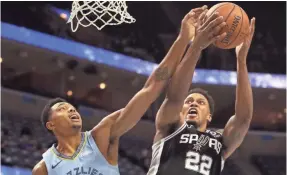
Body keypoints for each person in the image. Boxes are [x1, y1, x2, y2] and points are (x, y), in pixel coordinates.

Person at [32, 5, 226, 175]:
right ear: (50, 125)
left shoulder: (103, 136)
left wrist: (183, 39)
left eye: (70, 107)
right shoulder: (44, 168)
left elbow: (151, 88)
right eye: (62, 109)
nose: (71, 110)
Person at [147, 12, 256, 175]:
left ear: (209, 116)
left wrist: (241, 60)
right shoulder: (168, 128)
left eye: (200, 102)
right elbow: (175, 97)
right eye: (189, 101)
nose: (193, 104)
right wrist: (196, 46)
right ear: (181, 111)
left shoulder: (221, 142)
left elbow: (243, 119)